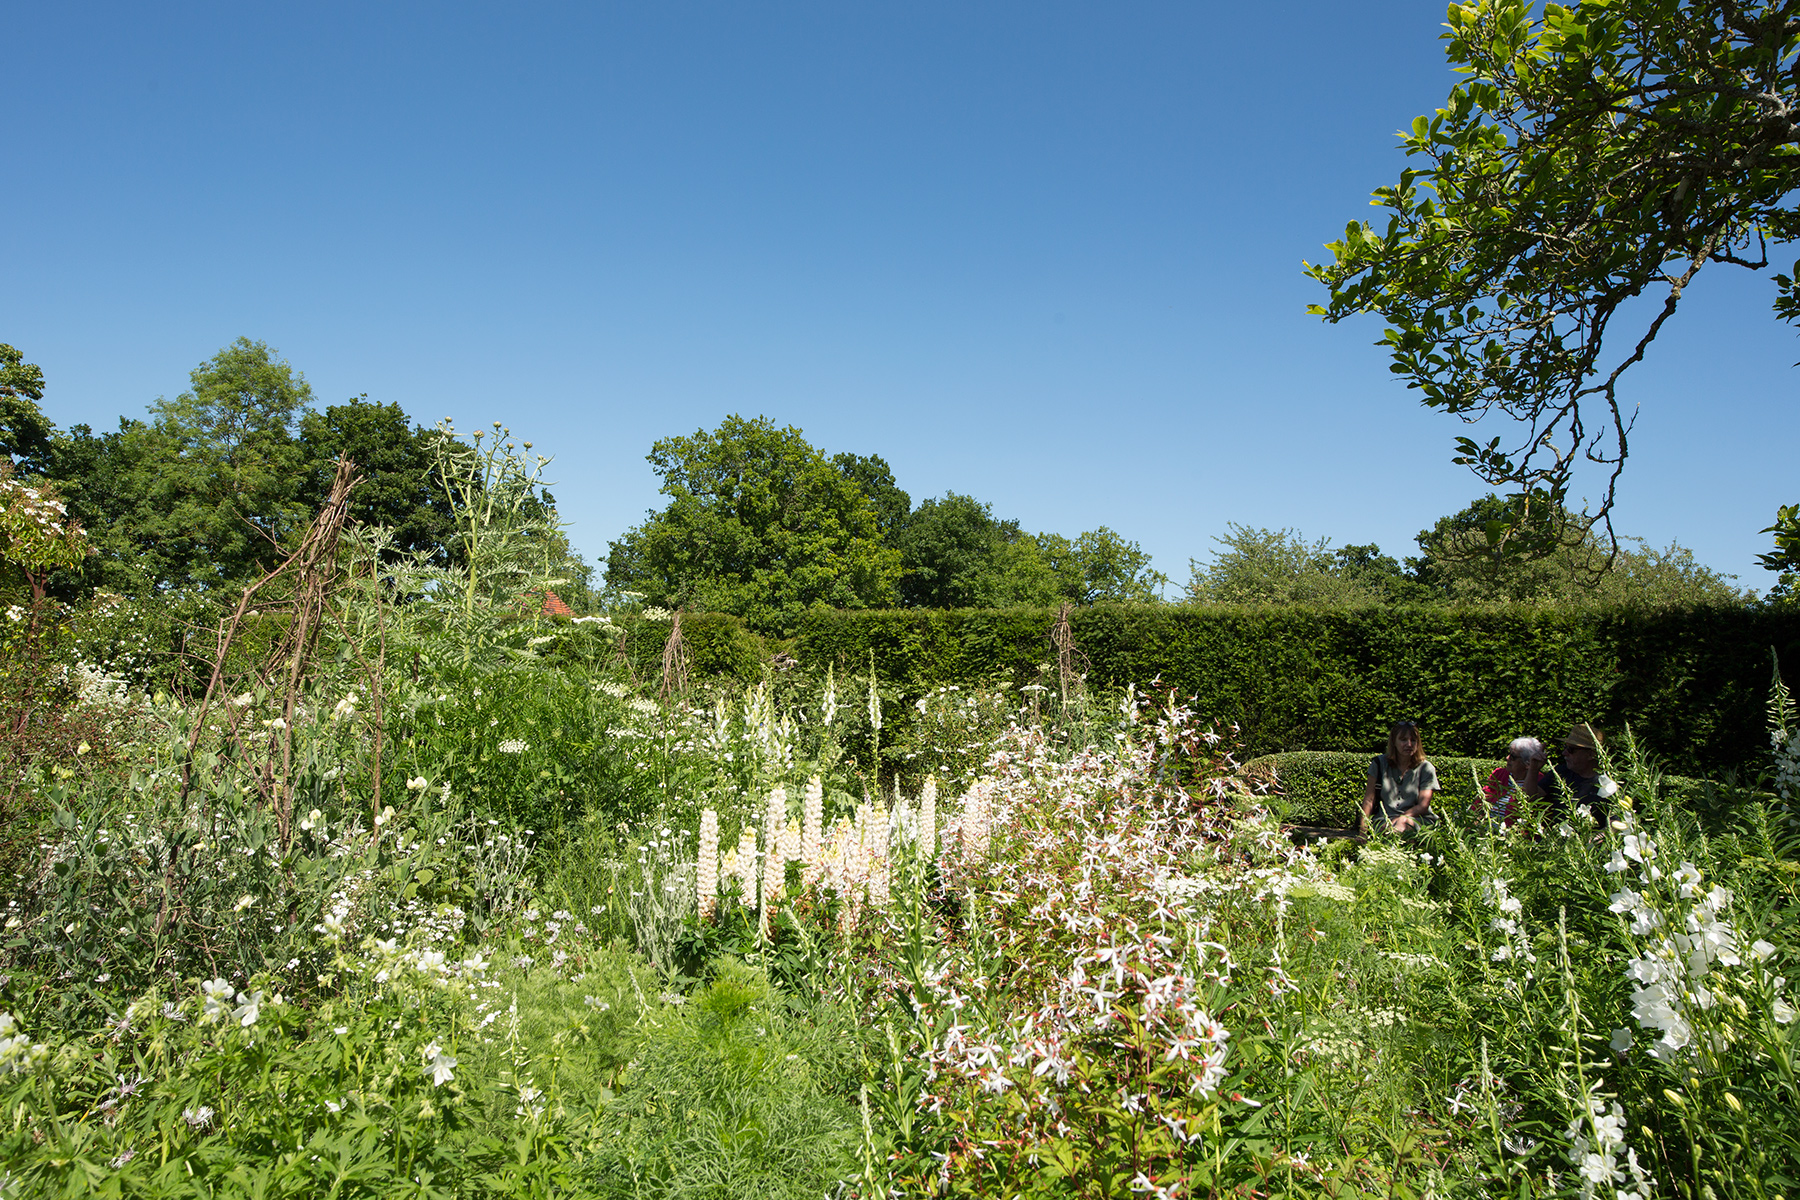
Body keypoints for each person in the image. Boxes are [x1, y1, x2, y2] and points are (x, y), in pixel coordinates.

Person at [1361, 720, 1438, 835]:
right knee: (1386, 829)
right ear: (1394, 742)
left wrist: (1401, 819)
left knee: (1404, 825)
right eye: (1403, 740)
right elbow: (1369, 800)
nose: (1409, 744)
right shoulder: (1378, 764)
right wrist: (1362, 832)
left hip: (1418, 820)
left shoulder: (1426, 768)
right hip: (1384, 820)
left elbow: (1423, 806)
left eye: (1413, 740)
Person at [1543, 723, 1616, 822]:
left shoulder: (1608, 784)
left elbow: (1616, 821)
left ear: (1591, 754)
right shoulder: (1560, 772)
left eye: (1571, 749)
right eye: (1565, 747)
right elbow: (1529, 798)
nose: (1564, 753)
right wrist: (1533, 769)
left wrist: (1597, 837)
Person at [1479, 737, 1546, 827]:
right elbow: (1479, 802)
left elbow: (1530, 806)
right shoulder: (1499, 774)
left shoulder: (1539, 782)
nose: (1507, 758)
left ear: (1527, 763)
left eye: (1513, 757)